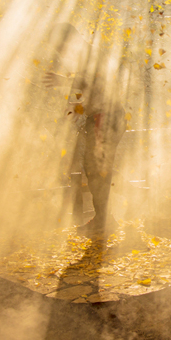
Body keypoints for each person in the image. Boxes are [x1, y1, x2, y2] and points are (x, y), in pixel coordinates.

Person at [43, 25, 127, 237]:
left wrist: (63, 82)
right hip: (100, 117)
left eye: (60, 47)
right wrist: (77, 107)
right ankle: (103, 218)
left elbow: (93, 84)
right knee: (93, 169)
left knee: (97, 169)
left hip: (107, 118)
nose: (60, 52)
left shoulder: (90, 54)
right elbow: (92, 91)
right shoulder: (85, 56)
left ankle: (104, 220)